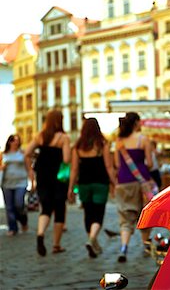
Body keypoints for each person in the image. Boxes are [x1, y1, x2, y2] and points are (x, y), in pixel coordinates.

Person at [68, 118, 116, 258]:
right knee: (98, 214)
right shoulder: (102, 144)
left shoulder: (78, 146)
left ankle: (92, 241)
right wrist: (114, 182)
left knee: (88, 213)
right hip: (100, 183)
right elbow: (108, 166)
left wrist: (70, 187)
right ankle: (92, 239)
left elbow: (74, 169)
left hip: (84, 184)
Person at [25, 109, 71, 256]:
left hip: (43, 176)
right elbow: (66, 159)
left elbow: (26, 152)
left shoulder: (40, 136)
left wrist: (37, 157)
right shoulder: (63, 138)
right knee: (59, 209)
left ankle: (40, 233)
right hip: (58, 177)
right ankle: (56, 245)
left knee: (45, 208)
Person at [114, 112, 153, 263]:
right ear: (136, 123)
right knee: (145, 213)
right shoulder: (143, 140)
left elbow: (117, 164)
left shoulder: (119, 142)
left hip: (123, 181)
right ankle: (145, 245)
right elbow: (149, 163)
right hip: (142, 181)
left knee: (126, 216)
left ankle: (124, 247)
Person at [0, 135, 34, 236]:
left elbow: (29, 168)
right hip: (6, 183)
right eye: (13, 141)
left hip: (21, 182)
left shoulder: (23, 153)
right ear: (9, 142)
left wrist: (33, 182)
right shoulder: (3, 154)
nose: (15, 142)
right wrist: (2, 167)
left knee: (19, 204)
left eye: (17, 141)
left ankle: (23, 221)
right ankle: (12, 228)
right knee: (9, 207)